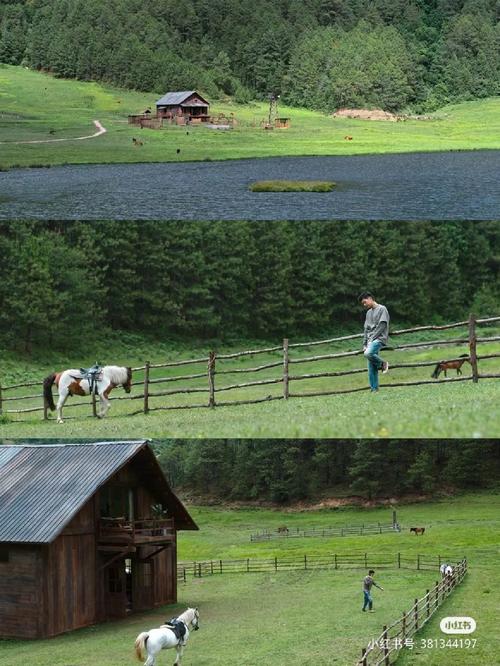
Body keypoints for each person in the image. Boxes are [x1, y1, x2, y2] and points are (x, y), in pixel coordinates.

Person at [359, 292, 390, 392]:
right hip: (370, 341)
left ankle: (383, 364)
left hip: (379, 339)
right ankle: (374, 389)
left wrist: (371, 339)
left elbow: (382, 325)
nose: (364, 305)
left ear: (370, 298)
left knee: (368, 353)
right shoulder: (368, 313)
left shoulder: (382, 309)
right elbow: (366, 330)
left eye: (365, 302)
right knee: (371, 367)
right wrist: (364, 344)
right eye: (363, 304)